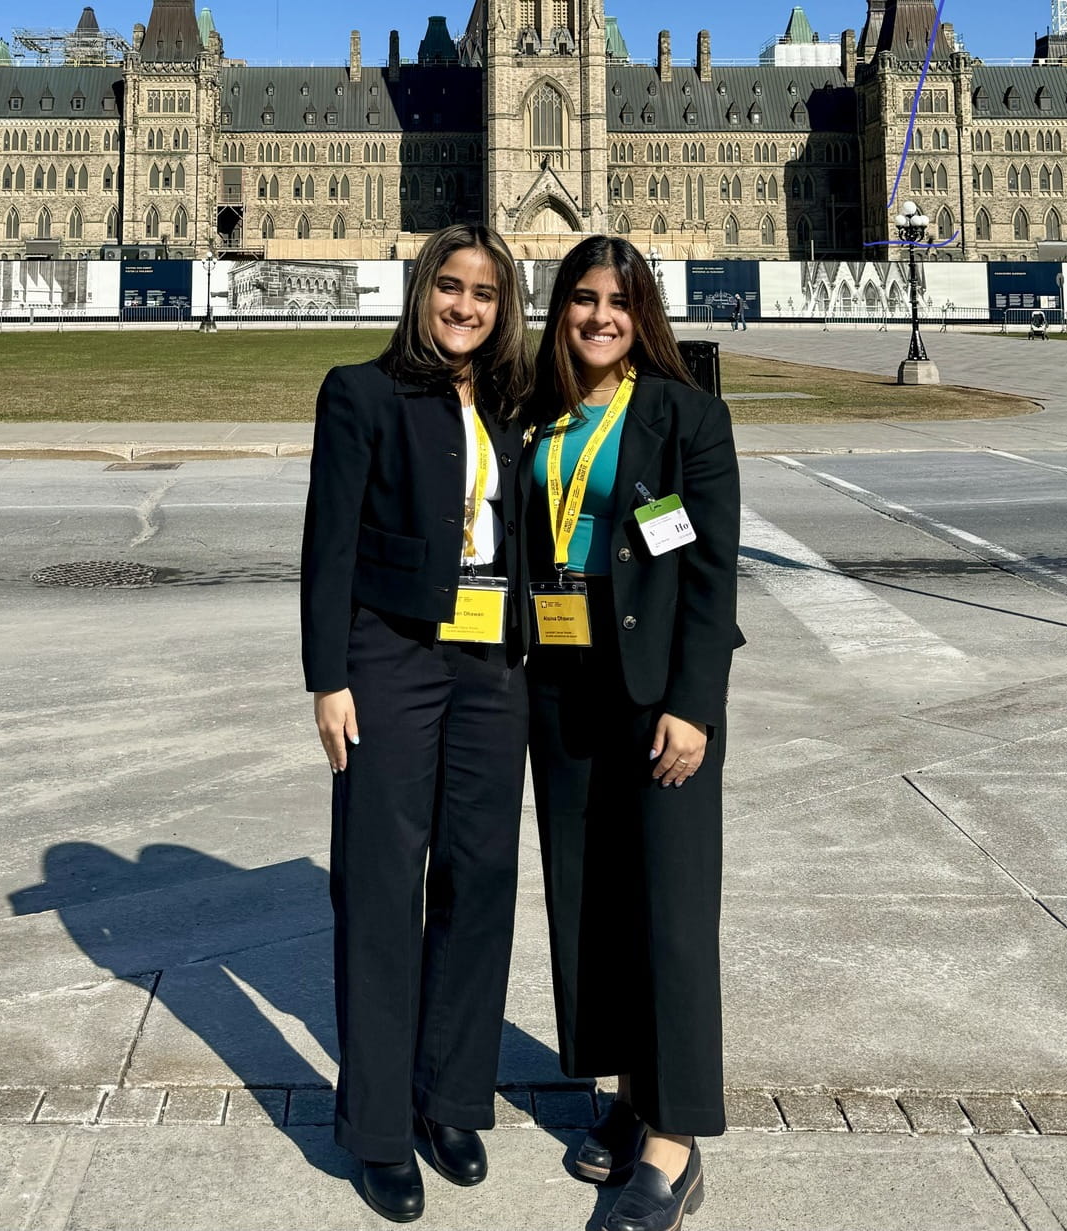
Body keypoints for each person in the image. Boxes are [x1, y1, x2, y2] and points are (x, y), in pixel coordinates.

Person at [300, 224, 534, 1223]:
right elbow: (328, 542)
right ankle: (379, 1127)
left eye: (484, 292)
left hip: (493, 664)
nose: (465, 306)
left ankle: (450, 1097)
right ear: (421, 291)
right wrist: (329, 678)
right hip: (391, 654)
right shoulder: (361, 393)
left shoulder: (519, 405)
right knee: (382, 885)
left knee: (480, 879)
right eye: (450, 286)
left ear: (503, 306)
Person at [521, 236, 743, 1231]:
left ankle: (674, 1141)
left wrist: (694, 704)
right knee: (592, 899)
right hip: (563, 678)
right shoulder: (541, 415)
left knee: (671, 911)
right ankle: (627, 1093)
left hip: (657, 689)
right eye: (582, 298)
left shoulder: (685, 415)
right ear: (560, 308)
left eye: (618, 300)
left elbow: (710, 571)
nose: (599, 316)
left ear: (642, 312)